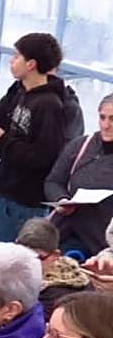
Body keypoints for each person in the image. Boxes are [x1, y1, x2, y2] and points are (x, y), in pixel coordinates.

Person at [0, 33, 67, 243]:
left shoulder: (49, 105)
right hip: (5, 191)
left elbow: (43, 156)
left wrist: (3, 141)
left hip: (26, 201)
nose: (12, 61)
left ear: (31, 64)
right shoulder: (18, 92)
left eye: (17, 56)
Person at [44, 93, 113, 259]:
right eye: (102, 118)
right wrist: (61, 199)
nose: (106, 125)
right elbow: (54, 181)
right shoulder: (81, 145)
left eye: (112, 119)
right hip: (69, 233)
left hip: (104, 244)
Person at [15, 218, 93, 318]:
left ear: (55, 255)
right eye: (23, 255)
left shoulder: (55, 293)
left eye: (38, 258)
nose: (30, 263)